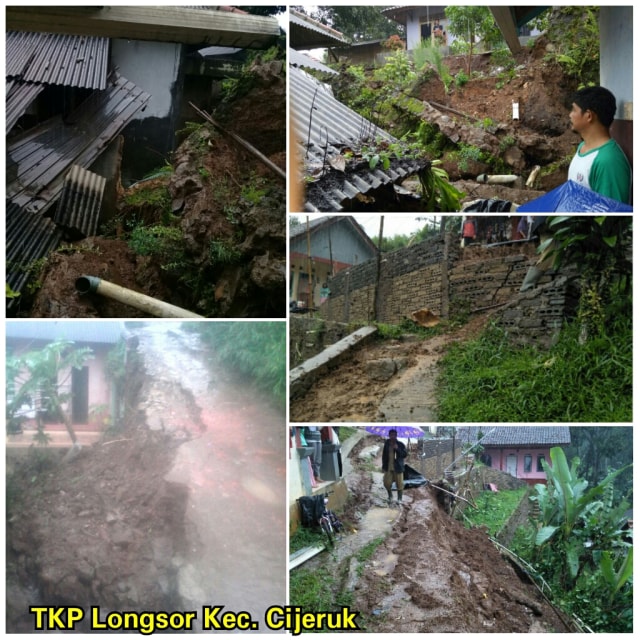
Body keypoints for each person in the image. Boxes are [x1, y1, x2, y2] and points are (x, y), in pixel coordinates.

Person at [567, 86, 631, 204]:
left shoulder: (608, 161)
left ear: (589, 116)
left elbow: (610, 214)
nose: (570, 115)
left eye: (574, 110)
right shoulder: (583, 147)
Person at [382, 429, 407, 506]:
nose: (393, 436)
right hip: (388, 467)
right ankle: (390, 496)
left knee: (400, 484)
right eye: (391, 435)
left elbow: (404, 455)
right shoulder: (386, 444)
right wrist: (383, 466)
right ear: (389, 435)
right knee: (386, 482)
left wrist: (397, 449)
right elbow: (384, 455)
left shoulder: (400, 444)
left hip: (398, 468)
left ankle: (399, 499)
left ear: (396, 436)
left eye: (394, 435)